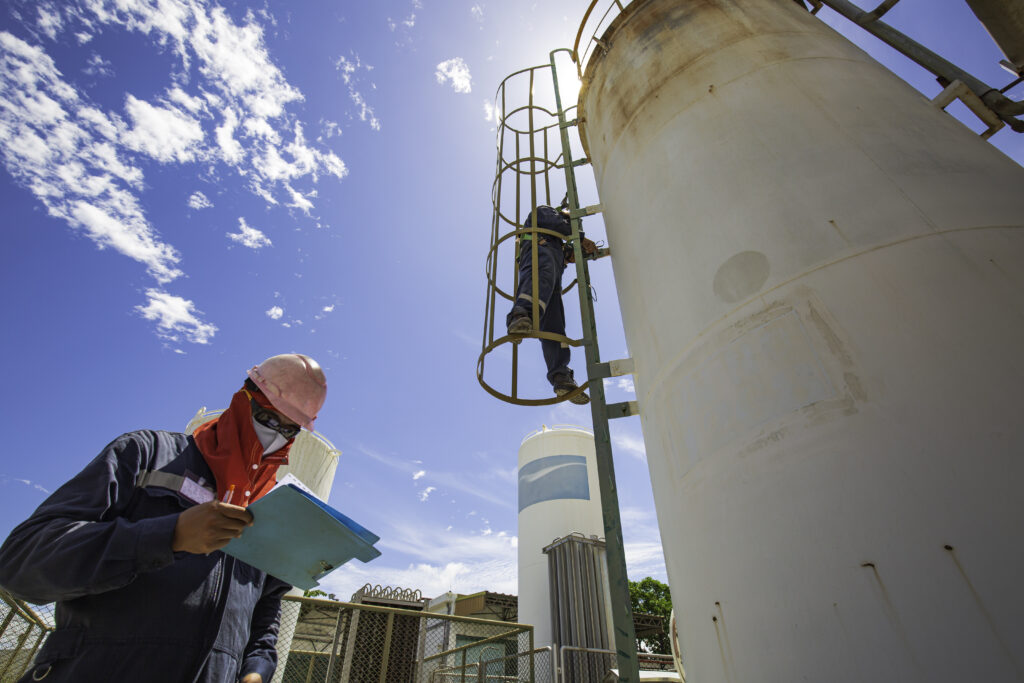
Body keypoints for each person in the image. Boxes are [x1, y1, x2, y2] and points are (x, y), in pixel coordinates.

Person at [0, 353, 328, 683]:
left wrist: (257, 667)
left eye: (289, 429)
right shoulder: (146, 454)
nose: (276, 435)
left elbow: (266, 606)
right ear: (243, 398)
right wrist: (168, 536)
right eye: (268, 418)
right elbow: (20, 561)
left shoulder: (271, 510)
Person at [506, 204, 596, 404]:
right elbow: (558, 224)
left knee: (554, 325)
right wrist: (580, 237)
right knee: (538, 281)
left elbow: (564, 246)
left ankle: (560, 376)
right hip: (538, 252)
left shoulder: (557, 244)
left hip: (553, 269)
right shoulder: (545, 211)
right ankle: (519, 316)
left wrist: (572, 252)